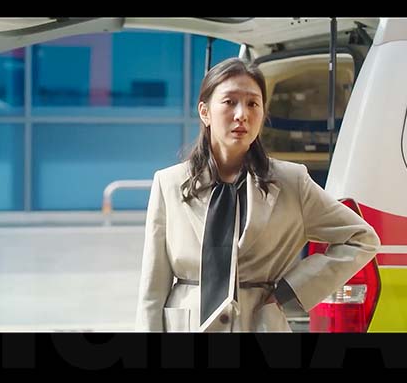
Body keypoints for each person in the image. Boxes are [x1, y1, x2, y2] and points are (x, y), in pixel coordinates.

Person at [134, 57, 380, 332]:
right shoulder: (169, 183)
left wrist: (291, 289)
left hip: (260, 324)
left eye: (253, 104)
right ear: (205, 112)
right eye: (230, 102)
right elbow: (152, 290)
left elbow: (361, 238)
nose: (242, 114)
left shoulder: (291, 181)